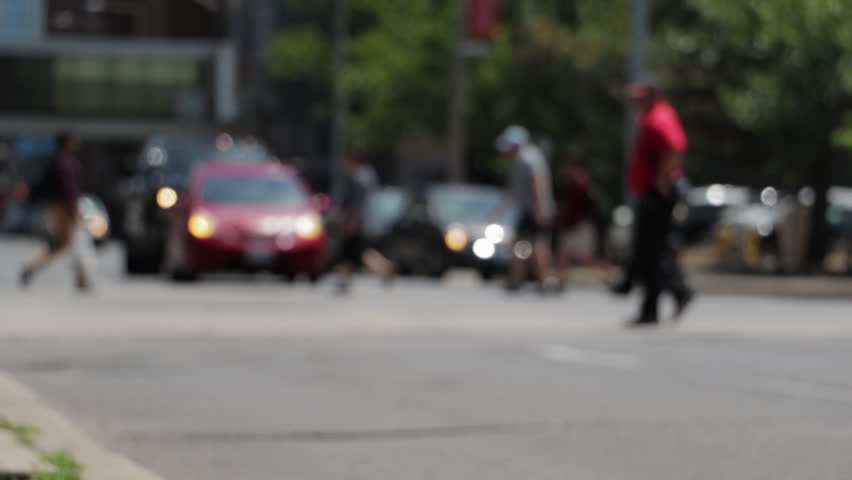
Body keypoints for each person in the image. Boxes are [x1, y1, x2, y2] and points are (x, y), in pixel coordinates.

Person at [614, 82, 694, 326]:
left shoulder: (660, 116)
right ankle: (667, 299)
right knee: (650, 252)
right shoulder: (649, 117)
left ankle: (663, 301)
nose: (636, 103)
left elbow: (675, 145)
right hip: (650, 193)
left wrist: (661, 178)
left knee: (650, 251)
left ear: (653, 97)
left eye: (641, 98)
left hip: (656, 195)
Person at [20, 132, 91, 291]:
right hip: (63, 208)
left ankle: (82, 277)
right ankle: (31, 268)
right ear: (66, 144)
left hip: (61, 207)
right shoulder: (63, 164)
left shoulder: (59, 162)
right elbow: (69, 190)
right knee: (67, 242)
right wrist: (74, 209)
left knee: (71, 242)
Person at [495, 125, 560, 292]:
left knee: (535, 244)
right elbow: (514, 191)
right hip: (529, 209)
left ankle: (542, 279)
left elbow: (537, 183)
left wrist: (539, 209)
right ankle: (526, 279)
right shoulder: (522, 159)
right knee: (524, 243)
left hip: (534, 210)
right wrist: (499, 209)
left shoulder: (527, 158)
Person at [335, 150, 394, 293]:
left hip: (357, 223)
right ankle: (344, 280)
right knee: (353, 253)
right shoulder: (369, 176)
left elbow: (353, 203)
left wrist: (349, 221)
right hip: (367, 221)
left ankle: (383, 267)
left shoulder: (357, 178)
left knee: (355, 252)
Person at [556, 156, 603, 283]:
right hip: (572, 224)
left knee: (586, 258)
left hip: (579, 225)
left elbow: (586, 205)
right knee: (563, 253)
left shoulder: (580, 182)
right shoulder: (574, 182)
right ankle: (561, 280)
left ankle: (607, 277)